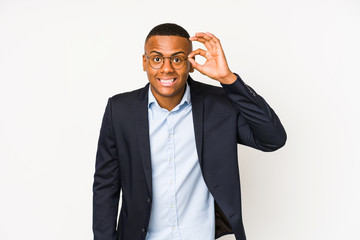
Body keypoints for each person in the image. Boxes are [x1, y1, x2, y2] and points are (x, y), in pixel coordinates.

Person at [93, 23, 287, 240]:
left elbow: (273, 139)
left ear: (191, 64)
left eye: (177, 59)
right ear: (144, 62)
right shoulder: (120, 109)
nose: (166, 68)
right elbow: (105, 186)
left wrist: (228, 79)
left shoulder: (219, 106)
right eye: (157, 59)